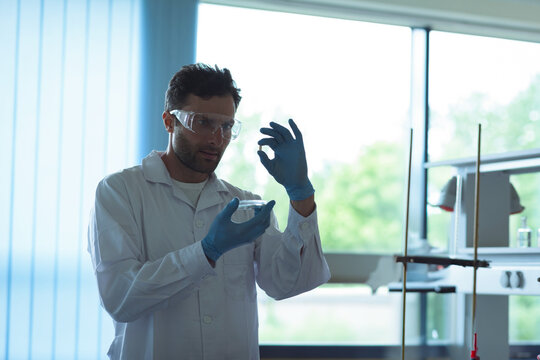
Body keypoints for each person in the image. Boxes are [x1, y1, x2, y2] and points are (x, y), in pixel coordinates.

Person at [88, 63, 330, 360]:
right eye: (202, 122)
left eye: (226, 126)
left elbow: (287, 283)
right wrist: (206, 252)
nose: (217, 139)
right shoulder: (120, 192)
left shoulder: (244, 203)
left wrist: (301, 194)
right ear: (169, 121)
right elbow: (120, 298)